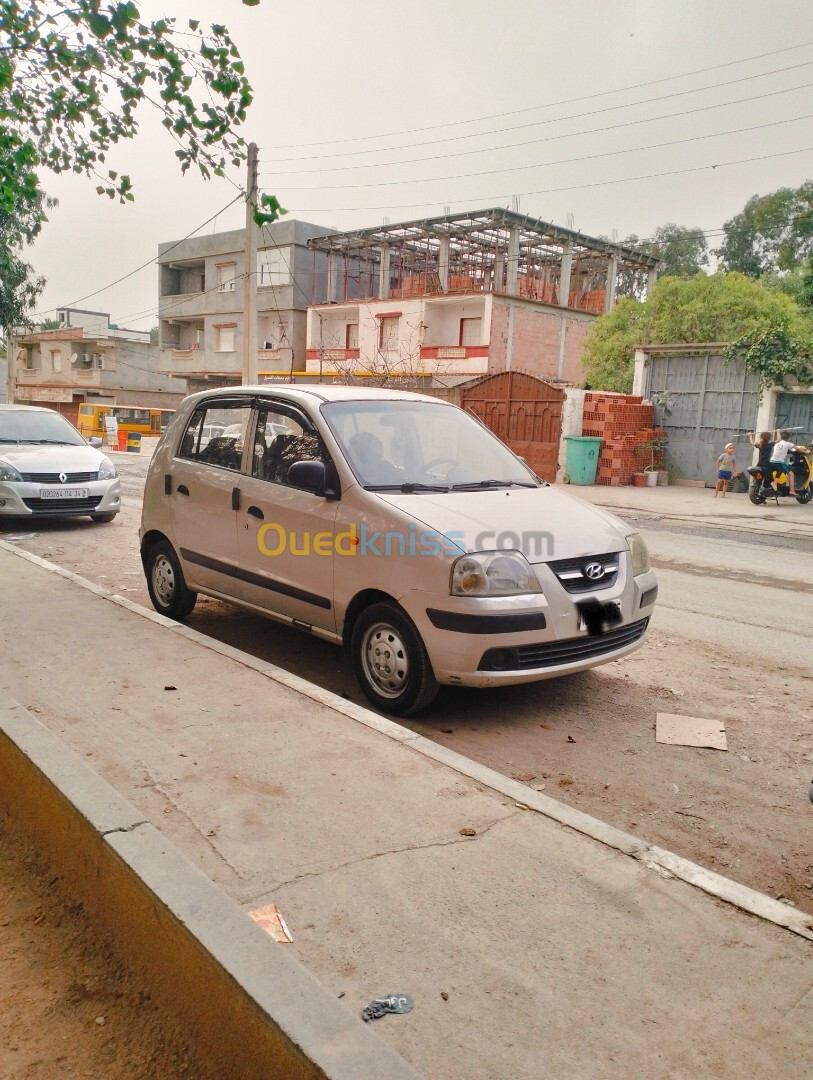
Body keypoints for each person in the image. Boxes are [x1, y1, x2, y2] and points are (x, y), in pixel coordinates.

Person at [770, 428, 798, 495]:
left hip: (771, 461)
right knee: (791, 473)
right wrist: (806, 451)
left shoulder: (776, 444)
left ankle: (776, 483)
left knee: (781, 469)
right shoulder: (788, 444)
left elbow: (778, 439)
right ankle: (792, 490)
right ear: (788, 438)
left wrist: (778, 431)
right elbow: (798, 449)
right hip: (779, 462)